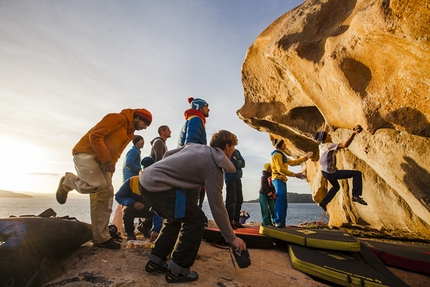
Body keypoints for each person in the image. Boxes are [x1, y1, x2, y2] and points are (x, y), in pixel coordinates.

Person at [140, 130, 246, 283]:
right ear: (227, 146)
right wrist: (232, 238)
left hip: (147, 179)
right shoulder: (214, 167)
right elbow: (217, 207)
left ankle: (156, 260)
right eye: (233, 147)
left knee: (176, 216)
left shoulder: (195, 147)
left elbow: (168, 155)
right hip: (159, 186)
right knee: (196, 219)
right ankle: (178, 271)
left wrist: (171, 174)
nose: (234, 150)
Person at [56, 108, 152, 249]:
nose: (144, 128)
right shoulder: (117, 118)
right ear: (138, 118)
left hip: (103, 162)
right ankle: (68, 181)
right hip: (86, 153)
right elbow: (95, 135)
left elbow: (117, 153)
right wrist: (107, 160)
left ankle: (101, 238)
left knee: (106, 194)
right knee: (97, 185)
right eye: (145, 124)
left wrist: (109, 169)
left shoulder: (130, 134)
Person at [313, 124, 367, 211]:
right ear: (325, 138)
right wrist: (353, 133)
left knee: (336, 187)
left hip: (325, 172)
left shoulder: (321, 145)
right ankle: (355, 196)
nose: (329, 135)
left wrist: (327, 124)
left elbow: (324, 133)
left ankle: (324, 202)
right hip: (331, 174)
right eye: (328, 135)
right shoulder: (328, 146)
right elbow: (345, 145)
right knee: (357, 174)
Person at [115, 157, 162, 241]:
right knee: (127, 210)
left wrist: (156, 229)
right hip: (134, 208)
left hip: (151, 210)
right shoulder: (132, 181)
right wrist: (132, 202)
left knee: (160, 210)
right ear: (141, 171)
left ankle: (145, 228)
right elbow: (119, 196)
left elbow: (160, 207)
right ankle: (130, 233)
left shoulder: (157, 183)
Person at [271, 139, 313, 228]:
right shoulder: (277, 155)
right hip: (277, 179)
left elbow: (293, 163)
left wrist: (305, 157)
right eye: (284, 144)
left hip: (282, 179)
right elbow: (280, 169)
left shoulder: (282, 155)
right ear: (280, 145)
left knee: (283, 201)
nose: (285, 144)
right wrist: (294, 175)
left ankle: (281, 223)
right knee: (280, 198)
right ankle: (277, 221)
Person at [177, 97, 210, 209]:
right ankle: (189, 224)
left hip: (188, 164)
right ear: (199, 107)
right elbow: (190, 143)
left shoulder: (193, 120)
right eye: (206, 106)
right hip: (191, 166)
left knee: (188, 199)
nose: (208, 109)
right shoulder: (196, 120)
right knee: (191, 198)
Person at [112, 135, 145, 234]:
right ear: (137, 142)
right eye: (142, 140)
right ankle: (116, 228)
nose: (143, 142)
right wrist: (140, 170)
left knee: (124, 206)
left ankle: (117, 228)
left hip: (130, 180)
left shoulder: (136, 152)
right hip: (130, 181)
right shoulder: (133, 151)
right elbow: (129, 163)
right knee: (123, 206)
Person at [224, 135, 245, 229]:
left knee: (239, 199)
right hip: (230, 177)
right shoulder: (228, 150)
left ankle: (236, 221)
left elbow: (243, 163)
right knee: (231, 200)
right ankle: (229, 222)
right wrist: (237, 162)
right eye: (235, 138)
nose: (237, 139)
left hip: (237, 177)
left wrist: (238, 162)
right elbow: (232, 163)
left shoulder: (237, 152)